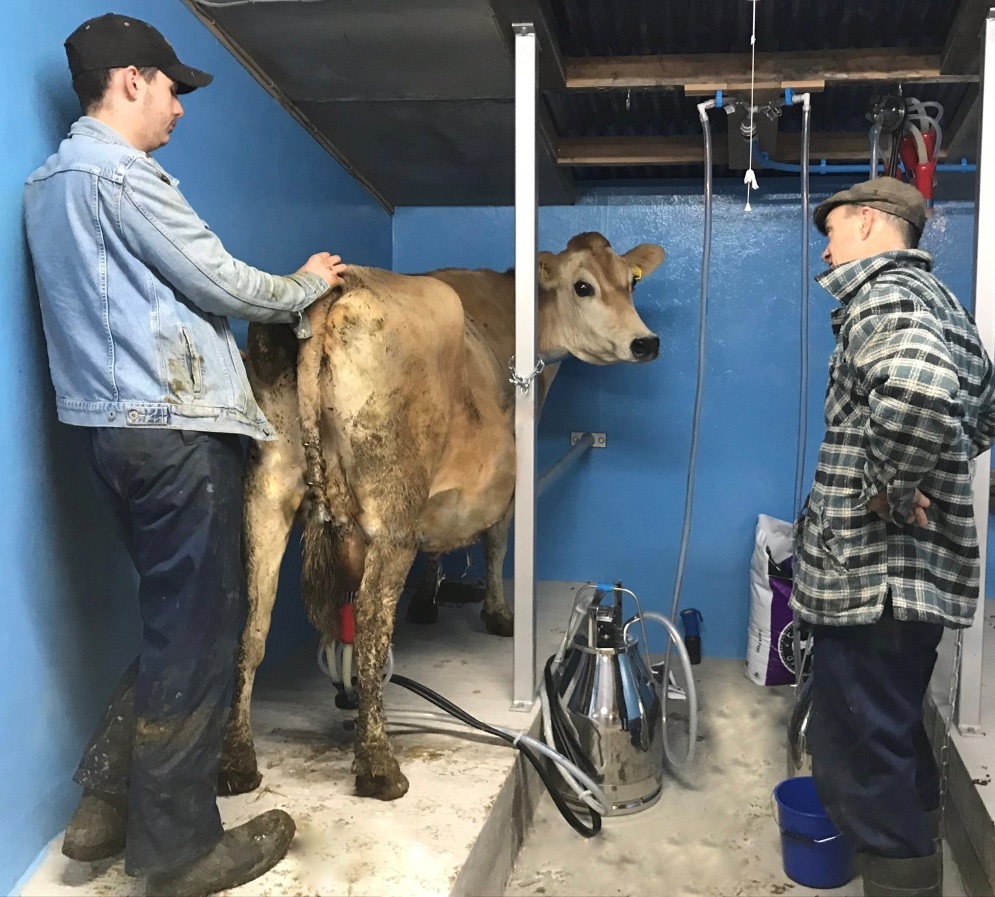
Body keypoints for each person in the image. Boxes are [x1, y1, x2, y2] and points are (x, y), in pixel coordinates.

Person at [23, 13, 347, 897]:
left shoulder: (50, 185)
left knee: (178, 621)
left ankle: (103, 803)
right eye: (171, 88)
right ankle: (174, 849)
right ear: (129, 80)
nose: (178, 107)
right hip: (173, 430)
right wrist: (306, 287)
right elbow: (219, 280)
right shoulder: (120, 178)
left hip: (114, 432)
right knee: (202, 633)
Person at [791, 176, 995, 897]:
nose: (827, 246)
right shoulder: (942, 303)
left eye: (835, 229)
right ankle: (918, 871)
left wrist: (892, 484)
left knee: (861, 761)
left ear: (871, 223)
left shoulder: (882, 293)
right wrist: (929, 473)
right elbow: (982, 408)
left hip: (868, 582)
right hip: (913, 584)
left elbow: (918, 391)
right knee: (895, 739)